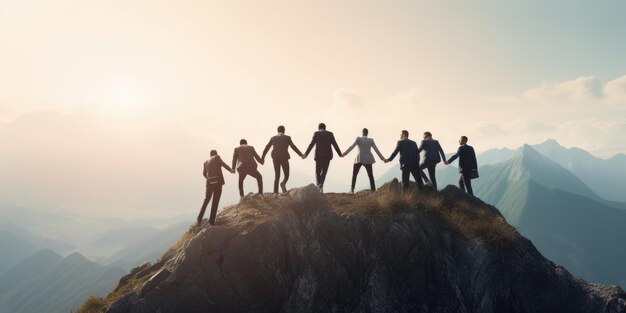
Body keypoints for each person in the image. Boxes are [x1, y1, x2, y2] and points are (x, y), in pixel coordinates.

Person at [341, 128, 385, 193]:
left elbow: (352, 146)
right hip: (368, 159)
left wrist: (345, 153)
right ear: (367, 133)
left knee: (354, 174)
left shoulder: (358, 139)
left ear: (362, 132)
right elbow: (376, 150)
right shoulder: (371, 140)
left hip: (359, 159)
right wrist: (383, 159)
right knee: (370, 175)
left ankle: (352, 189)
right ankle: (373, 190)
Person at [261, 125, 303, 193]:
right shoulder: (287, 138)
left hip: (275, 158)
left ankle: (275, 193)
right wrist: (301, 154)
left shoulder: (273, 138)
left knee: (277, 176)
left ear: (277, 131)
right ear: (284, 131)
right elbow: (293, 147)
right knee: (286, 175)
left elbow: (267, 147)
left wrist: (262, 158)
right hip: (284, 158)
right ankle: (283, 183)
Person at [198, 149, 234, 226]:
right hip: (217, 181)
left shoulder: (205, 162)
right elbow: (223, 164)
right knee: (215, 201)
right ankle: (211, 221)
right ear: (216, 154)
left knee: (206, 200)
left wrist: (209, 179)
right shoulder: (217, 157)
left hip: (209, 182)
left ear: (210, 155)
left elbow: (204, 173)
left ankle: (199, 219)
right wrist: (231, 170)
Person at [303, 122, 343, 193]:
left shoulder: (316, 133)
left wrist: (306, 154)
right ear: (325, 128)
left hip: (319, 155)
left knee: (318, 172)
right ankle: (321, 185)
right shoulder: (330, 134)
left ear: (319, 128)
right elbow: (335, 144)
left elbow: (311, 144)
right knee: (324, 172)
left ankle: (319, 185)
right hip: (327, 155)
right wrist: (340, 154)